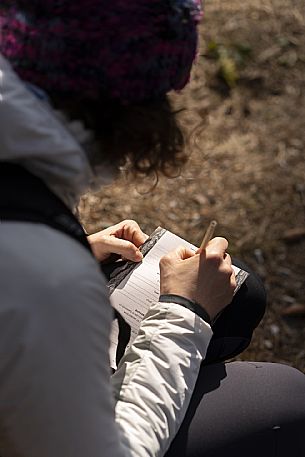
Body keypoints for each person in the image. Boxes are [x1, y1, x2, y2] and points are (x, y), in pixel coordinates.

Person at [0, 2, 304, 457]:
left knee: (244, 294)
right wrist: (183, 312)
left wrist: (74, 249)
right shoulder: (49, 282)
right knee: (286, 397)